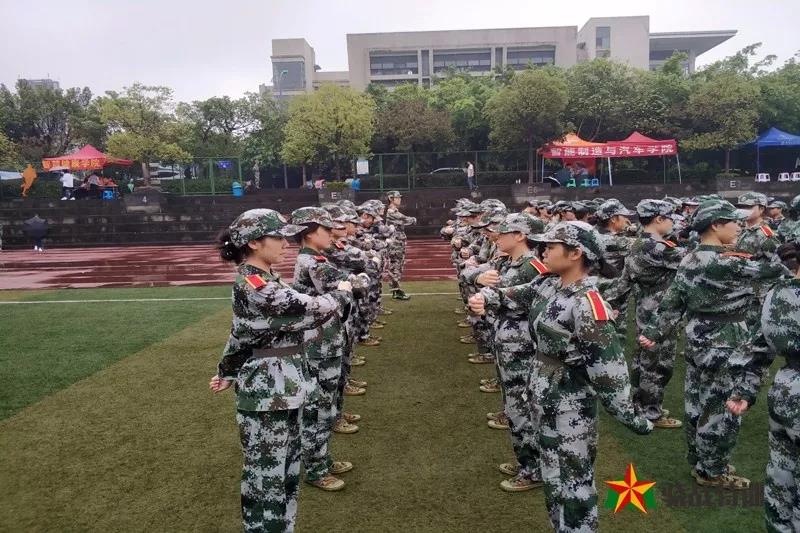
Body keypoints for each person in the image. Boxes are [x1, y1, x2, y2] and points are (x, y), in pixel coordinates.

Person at [470, 221, 652, 532]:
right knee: (553, 478)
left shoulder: (587, 304)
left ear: (575, 253)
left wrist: (632, 418)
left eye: (550, 246)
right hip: (544, 395)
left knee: (575, 482)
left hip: (571, 405)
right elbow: (514, 295)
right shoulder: (549, 284)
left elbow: (609, 371)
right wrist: (486, 298)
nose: (542, 251)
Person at [210, 208, 353, 532]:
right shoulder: (256, 284)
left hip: (282, 386)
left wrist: (227, 371)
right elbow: (311, 309)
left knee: (286, 472)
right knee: (268, 479)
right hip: (268, 391)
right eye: (278, 237)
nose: (286, 243)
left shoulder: (266, 278)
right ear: (254, 242)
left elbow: (240, 333)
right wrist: (343, 291)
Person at [638, 199, 790, 489]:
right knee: (722, 406)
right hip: (726, 338)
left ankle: (699, 460)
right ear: (716, 225)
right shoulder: (730, 262)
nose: (739, 226)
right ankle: (713, 470)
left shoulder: (690, 258)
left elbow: (673, 300)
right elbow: (777, 270)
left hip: (697, 335)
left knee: (696, 401)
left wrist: (655, 332)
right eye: (733, 222)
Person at [290, 206, 359, 492]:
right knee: (318, 409)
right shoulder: (313, 262)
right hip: (319, 344)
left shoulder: (314, 258)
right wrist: (353, 284)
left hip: (324, 340)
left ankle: (322, 460)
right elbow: (353, 285)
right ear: (308, 232)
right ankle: (316, 469)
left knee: (324, 406)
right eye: (326, 229)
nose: (332, 234)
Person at [605, 199, 686, 429]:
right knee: (658, 363)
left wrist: (612, 302)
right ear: (659, 219)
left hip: (645, 307)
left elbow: (624, 282)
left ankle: (639, 404)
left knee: (644, 359)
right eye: (670, 218)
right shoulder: (657, 247)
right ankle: (651, 411)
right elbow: (693, 261)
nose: (672, 223)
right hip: (659, 311)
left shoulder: (639, 244)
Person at [751, 241, 800, 532]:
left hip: (785, 385)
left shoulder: (778, 292)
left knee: (781, 471)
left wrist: (744, 391)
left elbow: (758, 345)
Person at [384, 191, 417, 301]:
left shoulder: (395, 211)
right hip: (395, 243)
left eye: (399, 197)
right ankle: (396, 291)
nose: (399, 199)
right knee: (395, 266)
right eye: (397, 197)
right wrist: (413, 219)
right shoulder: (391, 212)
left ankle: (396, 289)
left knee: (398, 265)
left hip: (398, 242)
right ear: (391, 199)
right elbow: (405, 219)